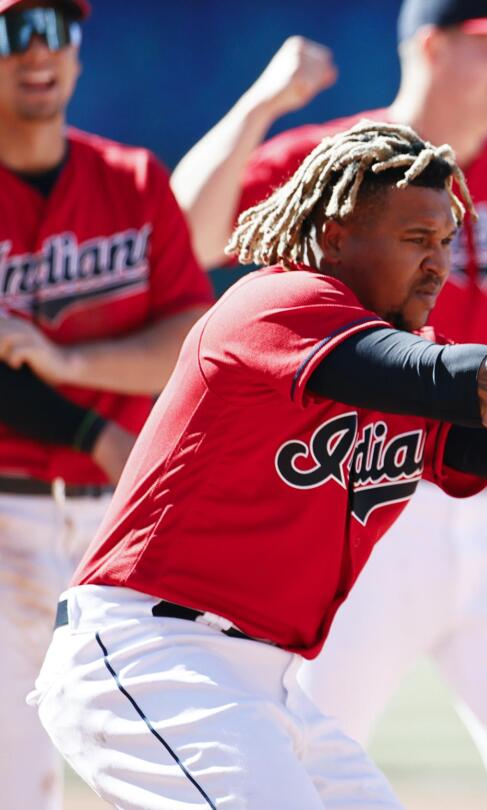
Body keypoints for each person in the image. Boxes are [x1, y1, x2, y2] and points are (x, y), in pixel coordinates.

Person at [28, 120, 487, 809]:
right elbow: (448, 381)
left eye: (445, 242)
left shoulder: (398, 359)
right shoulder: (277, 305)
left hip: (265, 681)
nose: (439, 264)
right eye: (416, 240)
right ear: (334, 236)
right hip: (150, 653)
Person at [168, 2, 487, 806]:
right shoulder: (340, 167)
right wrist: (262, 105)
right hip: (368, 497)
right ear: (432, 46)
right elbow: (186, 232)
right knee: (311, 759)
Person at [0, 1, 215, 807]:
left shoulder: (130, 179)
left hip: (122, 533)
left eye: (58, 30)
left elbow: (190, 337)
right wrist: (92, 428)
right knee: (15, 783)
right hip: (5, 517)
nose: (38, 50)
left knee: (164, 769)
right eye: (12, 31)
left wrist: (69, 360)